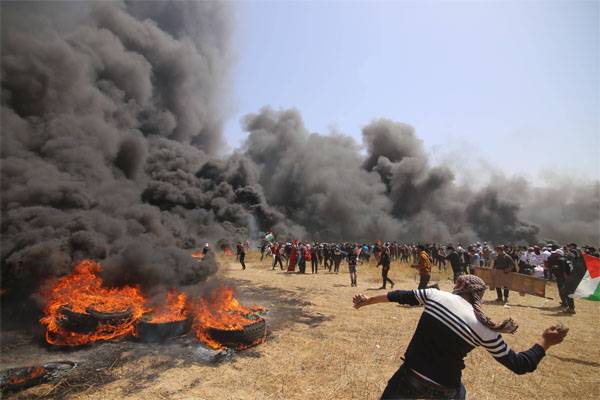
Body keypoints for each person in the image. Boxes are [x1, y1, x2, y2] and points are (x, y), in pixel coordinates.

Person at [353, 275, 568, 400]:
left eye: (457, 282)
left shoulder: (436, 295)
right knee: (459, 391)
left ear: (461, 287)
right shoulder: (485, 329)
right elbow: (520, 364)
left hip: (411, 377)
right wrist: (546, 341)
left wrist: (367, 300)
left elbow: (397, 295)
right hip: (446, 387)